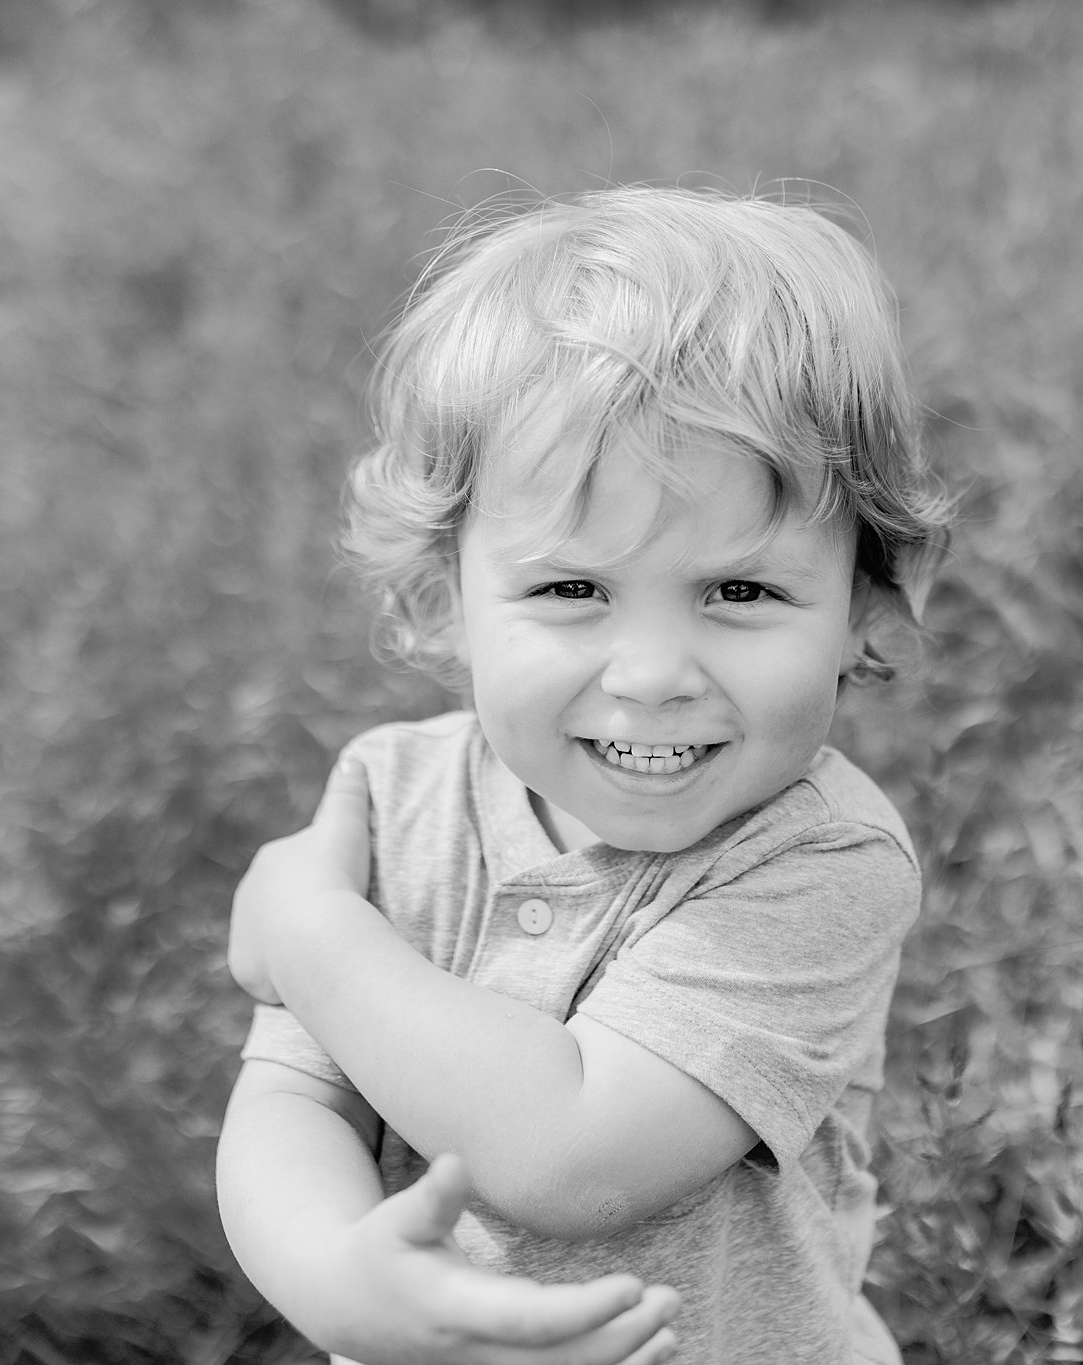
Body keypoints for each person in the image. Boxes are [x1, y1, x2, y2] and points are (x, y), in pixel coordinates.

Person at [215, 184, 949, 1365]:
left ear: (862, 604)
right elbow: (298, 1099)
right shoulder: (390, 793)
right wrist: (333, 1277)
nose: (652, 673)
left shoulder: (817, 858)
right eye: (571, 591)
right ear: (438, 596)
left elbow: (574, 1158)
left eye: (741, 592)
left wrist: (311, 936)